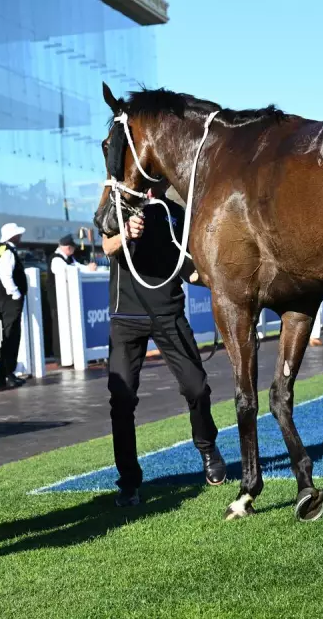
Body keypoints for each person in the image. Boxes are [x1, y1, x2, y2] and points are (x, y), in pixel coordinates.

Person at [101, 205, 226, 507]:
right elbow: (107, 245)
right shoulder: (118, 200)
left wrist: (212, 276)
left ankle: (207, 447)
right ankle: (128, 482)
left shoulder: (175, 210)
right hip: (126, 317)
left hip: (169, 313)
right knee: (122, 399)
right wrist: (125, 234)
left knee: (196, 387)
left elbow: (185, 262)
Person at [46, 234, 97, 363]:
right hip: (58, 300)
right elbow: (68, 271)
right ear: (68, 248)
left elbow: (77, 267)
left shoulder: (68, 258)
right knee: (59, 328)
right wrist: (86, 269)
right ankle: (60, 357)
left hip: (67, 300)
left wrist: (88, 269)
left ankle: (71, 355)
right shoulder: (56, 259)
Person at [0, 222, 27, 389]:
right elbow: (6, 275)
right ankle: (8, 374)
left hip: (3, 300)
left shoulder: (1, 250)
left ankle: (3, 376)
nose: (20, 236)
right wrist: (16, 293)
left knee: (8, 337)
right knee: (11, 337)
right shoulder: (8, 251)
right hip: (10, 300)